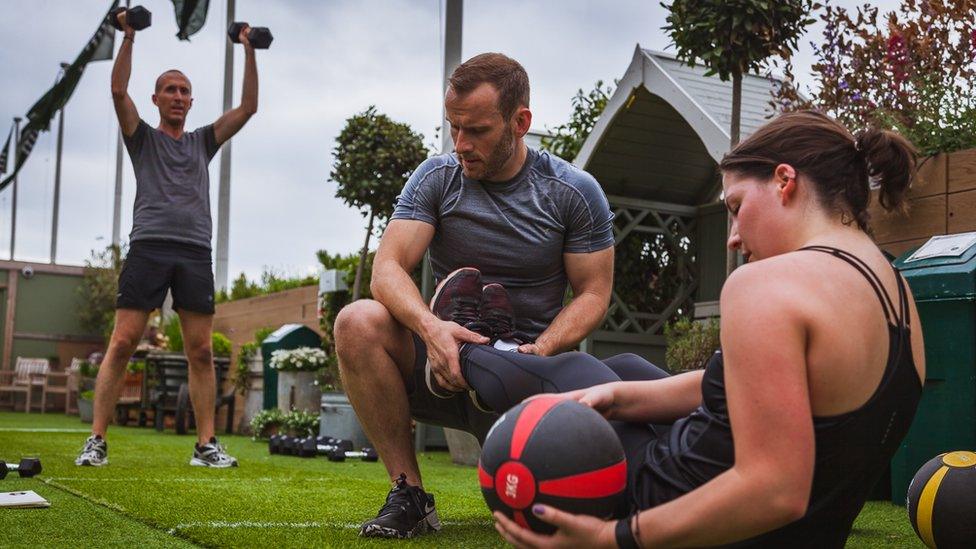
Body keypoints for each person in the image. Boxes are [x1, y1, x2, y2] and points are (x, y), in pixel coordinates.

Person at [463, 110, 924, 547]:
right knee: (622, 371)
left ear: (785, 181)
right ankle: (504, 351)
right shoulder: (897, 294)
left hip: (671, 507)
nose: (733, 237)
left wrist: (615, 538)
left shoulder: (766, 284)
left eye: (737, 206)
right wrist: (621, 399)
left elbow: (777, 489)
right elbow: (773, 393)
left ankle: (467, 340)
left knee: (569, 370)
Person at [333, 52, 616, 538]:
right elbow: (387, 267)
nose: (460, 144)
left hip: (523, 373)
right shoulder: (438, 177)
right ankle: (410, 494)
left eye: (478, 131)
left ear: (520, 122)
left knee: (557, 515)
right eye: (453, 127)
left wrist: (541, 350)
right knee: (357, 321)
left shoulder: (573, 192)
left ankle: (504, 375)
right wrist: (432, 329)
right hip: (436, 362)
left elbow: (594, 293)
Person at [75, 9, 260, 468]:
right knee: (123, 342)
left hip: (195, 251)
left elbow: (248, 109)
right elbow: (117, 90)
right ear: (156, 99)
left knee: (199, 350)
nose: (178, 96)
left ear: (191, 102)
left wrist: (250, 49)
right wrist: (129, 36)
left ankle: (205, 446)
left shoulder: (202, 141)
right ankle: (96, 440)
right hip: (150, 246)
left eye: (184, 91)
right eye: (170, 90)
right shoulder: (141, 137)